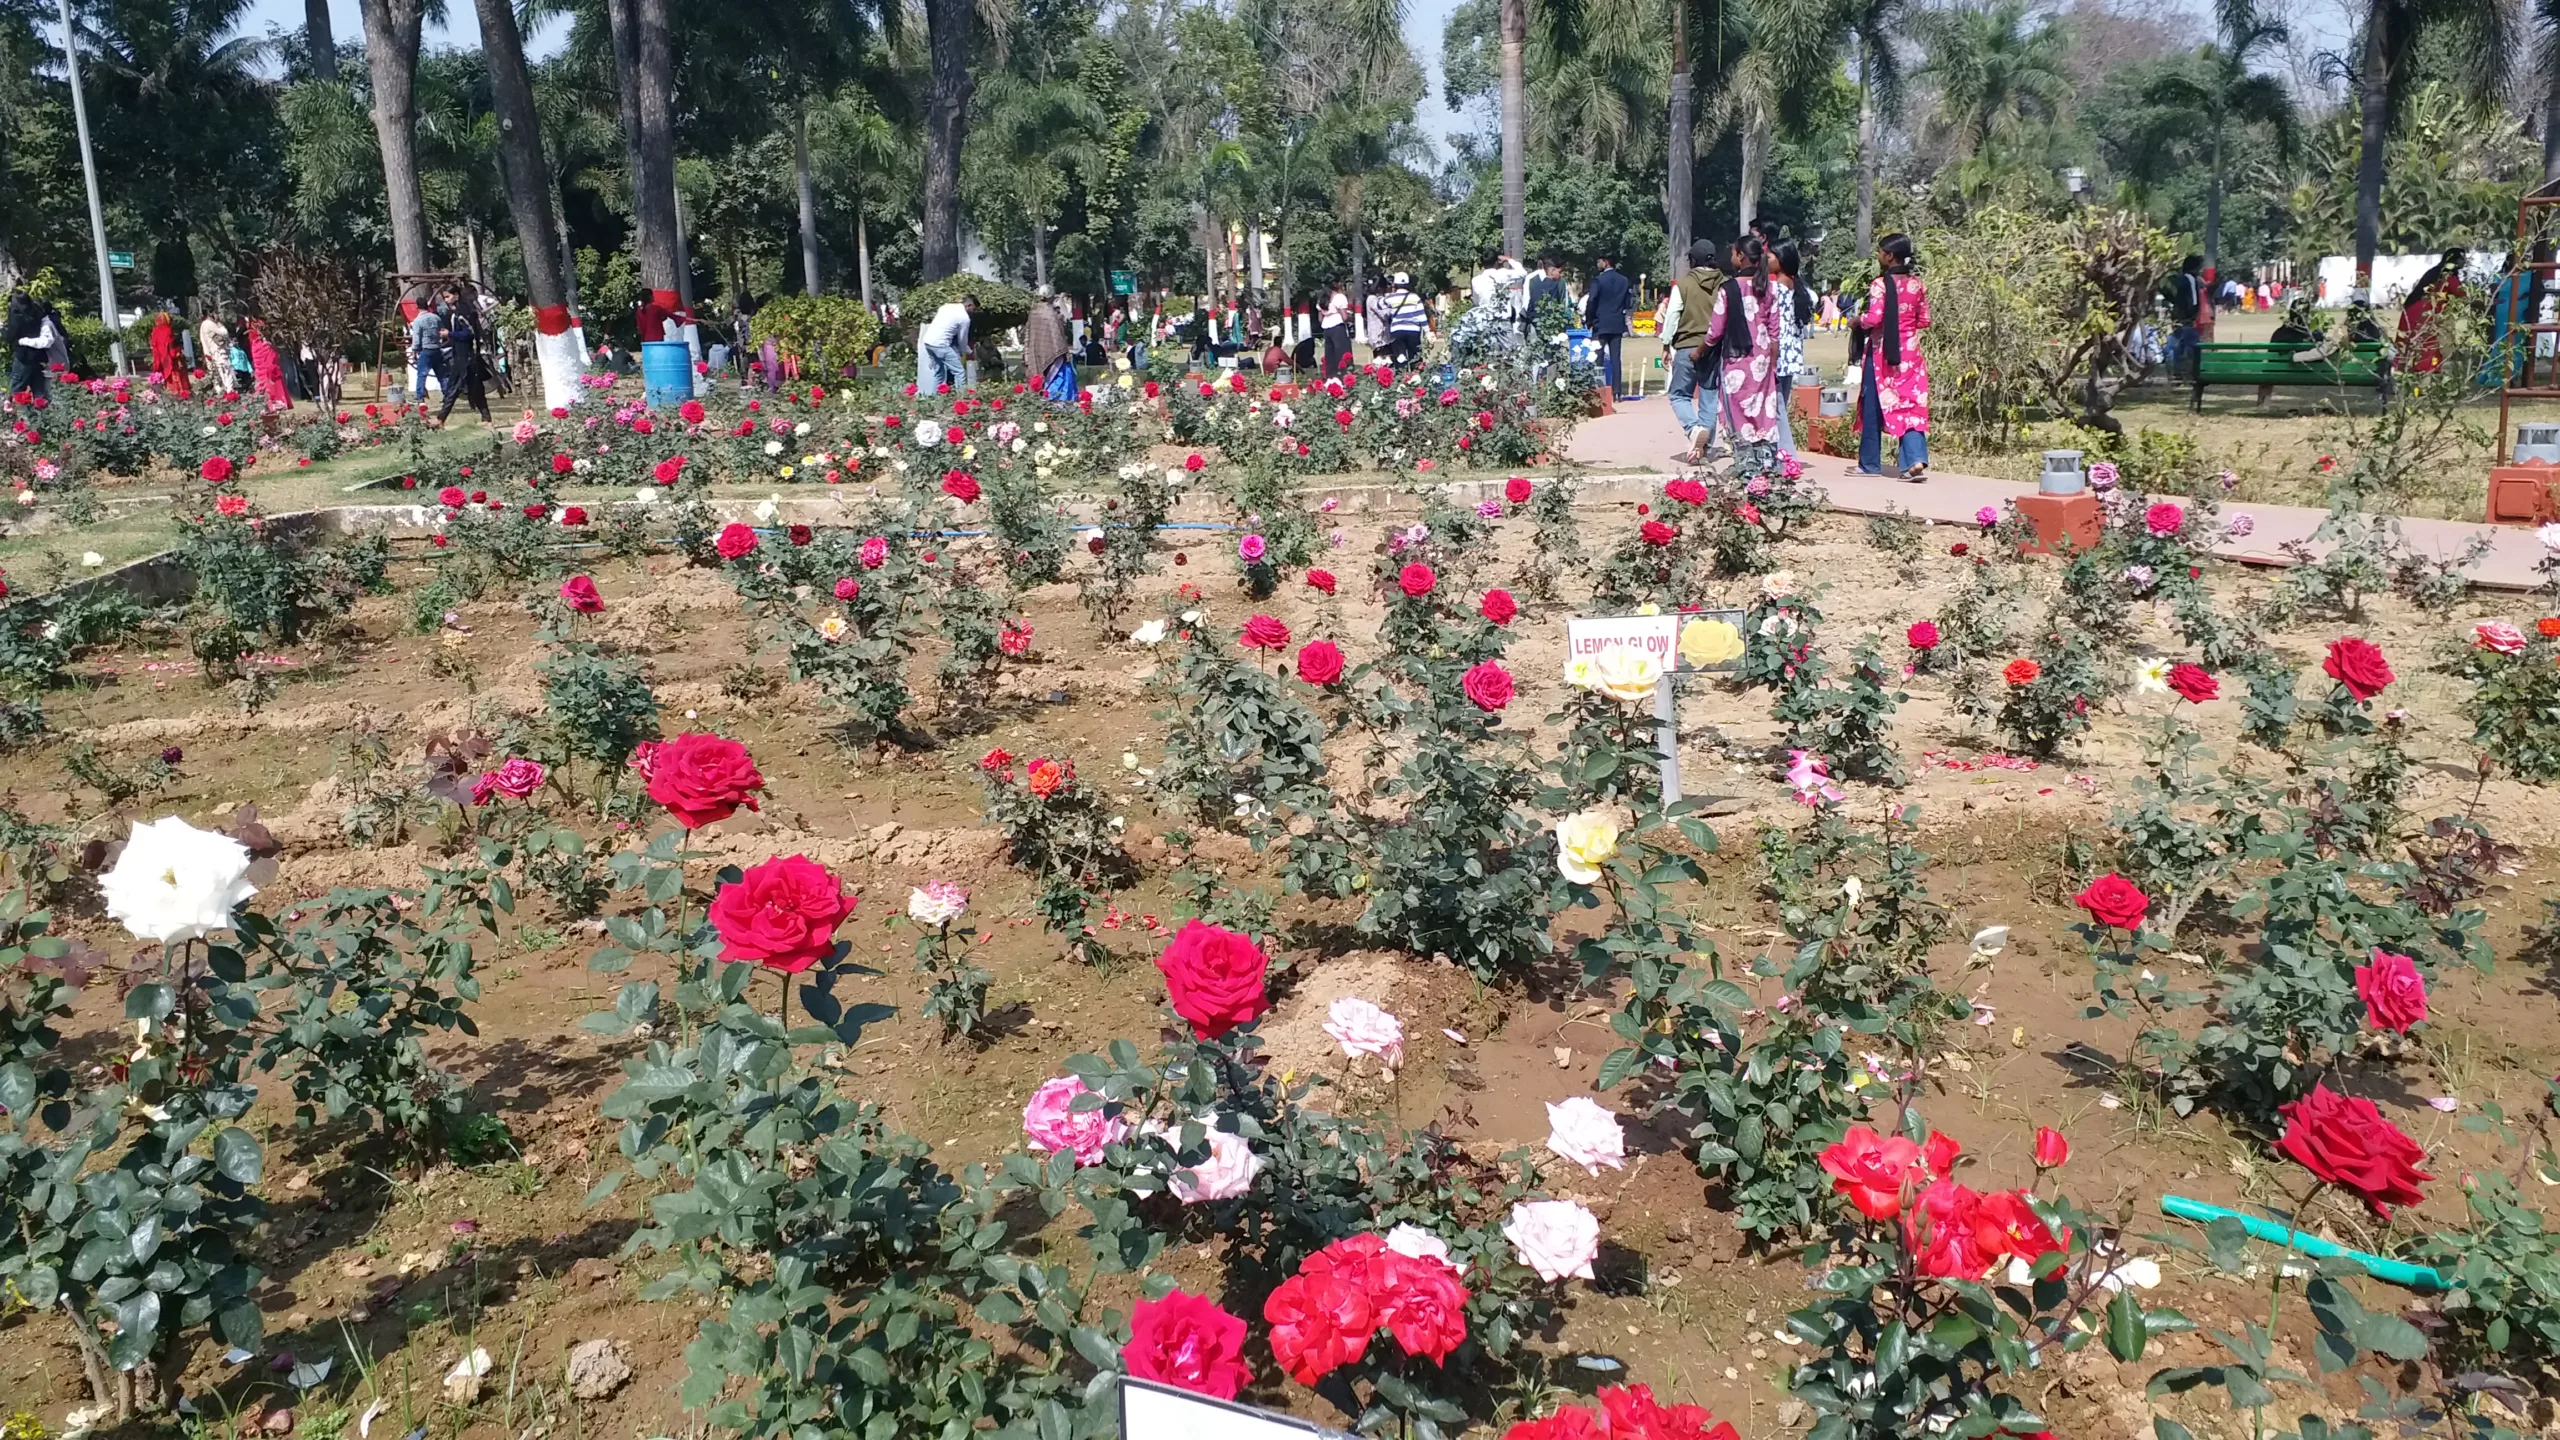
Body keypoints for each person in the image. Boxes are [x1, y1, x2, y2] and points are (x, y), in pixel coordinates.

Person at [1855, 233, 1932, 480]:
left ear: (1889, 256)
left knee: (1873, 403)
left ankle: (1869, 464)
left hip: (1882, 354)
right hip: (1910, 354)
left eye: (1880, 252)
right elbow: (1924, 320)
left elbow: (1875, 318)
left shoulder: (1879, 284)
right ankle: (1915, 460)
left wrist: (1858, 321)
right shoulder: (1916, 284)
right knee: (1910, 404)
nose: (1878, 256)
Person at [1705, 234, 1784, 465]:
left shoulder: (1729, 289)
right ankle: (1767, 465)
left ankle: (1745, 465)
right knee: (1762, 413)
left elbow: (1715, 330)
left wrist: (1700, 351)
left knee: (1737, 412)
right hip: (1762, 360)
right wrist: (1773, 364)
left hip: (1736, 360)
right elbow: (1774, 333)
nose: (1731, 257)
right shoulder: (1768, 289)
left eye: (1733, 253)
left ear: (1740, 256)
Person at [1663, 239, 1723, 464]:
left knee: (1679, 394)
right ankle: (1704, 448)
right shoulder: (1724, 283)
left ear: (1693, 260)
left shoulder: (1684, 284)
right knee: (1709, 395)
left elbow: (1672, 316)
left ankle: (1693, 428)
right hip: (1713, 347)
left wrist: (1665, 344)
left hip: (1687, 345)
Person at [1771, 239, 1816, 456]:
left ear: (1780, 261)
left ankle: (1788, 457)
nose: (1765, 260)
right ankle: (1778, 454)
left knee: (1776, 409)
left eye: (1769, 256)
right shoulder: (1799, 290)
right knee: (1781, 407)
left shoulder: (1774, 290)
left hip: (1776, 356)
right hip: (1790, 358)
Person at [2395, 247, 2467, 375]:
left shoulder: (2435, 272)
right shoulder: (2448, 276)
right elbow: (2462, 293)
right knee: (2426, 341)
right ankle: (2423, 370)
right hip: (2423, 311)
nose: (2464, 261)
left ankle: (2405, 368)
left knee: (2410, 341)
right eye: (2462, 258)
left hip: (2413, 310)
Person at [1585, 254, 1634, 398]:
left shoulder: (1598, 280)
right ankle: (1617, 391)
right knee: (1615, 358)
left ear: (1606, 262)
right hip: (1617, 323)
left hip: (1600, 323)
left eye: (1599, 261)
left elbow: (1592, 301)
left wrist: (1589, 320)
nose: (1597, 263)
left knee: (1598, 357)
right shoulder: (1624, 280)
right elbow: (1628, 302)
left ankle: (1599, 390)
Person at [435, 302, 490, 422]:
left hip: (466, 358)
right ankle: (486, 418)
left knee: (456, 388)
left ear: (456, 295)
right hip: (462, 357)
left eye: (448, 296)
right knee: (475, 389)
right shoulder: (458, 313)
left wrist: (449, 333)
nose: (446, 300)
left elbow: (468, 334)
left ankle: (440, 419)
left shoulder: (464, 313)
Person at [1025, 286, 1076, 402]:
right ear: (1051, 296)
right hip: (1054, 351)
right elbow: (1057, 334)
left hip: (1037, 350)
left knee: (1041, 377)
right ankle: (1057, 402)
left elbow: (1029, 333)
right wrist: (1063, 350)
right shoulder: (1050, 313)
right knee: (1059, 376)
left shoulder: (1034, 311)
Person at [917, 293, 974, 393]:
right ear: (969, 306)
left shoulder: (946, 307)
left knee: (939, 374)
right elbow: (962, 339)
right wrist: (966, 350)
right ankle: (962, 398)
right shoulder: (964, 318)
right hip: (941, 345)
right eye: (974, 309)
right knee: (959, 372)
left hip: (928, 342)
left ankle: (935, 399)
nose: (973, 312)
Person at [5, 292, 55, 403]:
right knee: (39, 392)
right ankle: (41, 416)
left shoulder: (17, 315)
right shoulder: (37, 311)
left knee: (17, 388)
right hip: (40, 356)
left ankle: (17, 415)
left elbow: (10, 336)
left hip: (24, 356)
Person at [2162, 255, 2205, 382]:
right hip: (2186, 317)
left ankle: (2175, 372)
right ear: (2195, 267)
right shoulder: (2191, 279)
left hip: (2177, 315)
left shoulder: (2178, 279)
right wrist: (2192, 315)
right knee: (2192, 345)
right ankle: (2190, 372)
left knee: (2176, 344)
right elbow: (2193, 300)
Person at [248, 318, 293, 414]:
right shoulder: (253, 319)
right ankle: (270, 400)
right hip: (259, 346)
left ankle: (274, 399)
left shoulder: (253, 320)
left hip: (261, 346)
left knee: (271, 372)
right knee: (267, 372)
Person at [1383, 273, 1428, 365]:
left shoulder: (1390, 298)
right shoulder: (1415, 297)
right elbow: (1421, 316)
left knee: (1400, 357)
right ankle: (1416, 375)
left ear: (1394, 284)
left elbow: (1379, 305)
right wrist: (1427, 331)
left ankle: (1401, 376)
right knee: (1415, 357)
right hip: (1413, 330)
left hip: (1397, 330)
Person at [406, 301, 442, 402]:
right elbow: (442, 330)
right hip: (437, 348)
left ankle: (420, 396)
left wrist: (414, 351)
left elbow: (416, 338)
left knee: (421, 375)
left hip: (425, 350)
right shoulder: (436, 318)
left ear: (417, 307)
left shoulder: (418, 321)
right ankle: (447, 394)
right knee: (441, 374)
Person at [149, 311, 192, 398]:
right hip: (172, 362)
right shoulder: (168, 331)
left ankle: (170, 396)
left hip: (161, 361)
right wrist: (179, 352)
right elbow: (172, 351)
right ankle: (181, 395)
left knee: (167, 382)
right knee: (177, 380)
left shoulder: (154, 332)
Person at [1527, 255, 1571, 337]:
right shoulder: (1556, 284)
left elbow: (1530, 303)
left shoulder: (1534, 282)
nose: (1560, 275)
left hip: (1536, 321)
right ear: (1552, 271)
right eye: (1559, 272)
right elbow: (1562, 304)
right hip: (1551, 323)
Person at [1320, 281, 1353, 376]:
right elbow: (1345, 317)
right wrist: (1351, 318)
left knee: (1330, 355)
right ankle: (1344, 375)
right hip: (1337, 326)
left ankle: (1331, 376)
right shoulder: (1339, 297)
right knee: (1342, 354)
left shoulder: (1323, 298)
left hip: (1326, 327)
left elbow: (1320, 318)